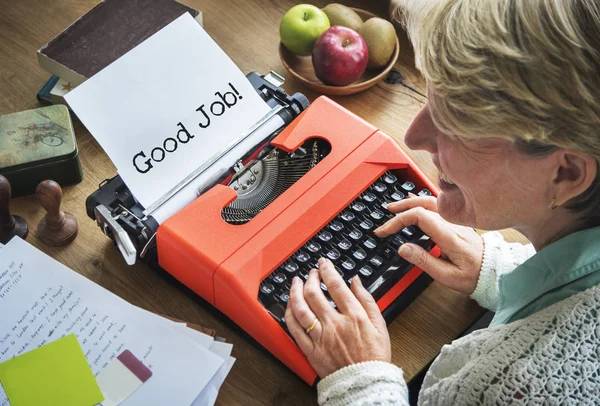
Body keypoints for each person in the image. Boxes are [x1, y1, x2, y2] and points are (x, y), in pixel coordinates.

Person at [284, 0, 600, 404]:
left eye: (457, 123)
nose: (414, 137)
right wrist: (501, 272)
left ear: (567, 174)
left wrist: (360, 382)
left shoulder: (510, 387)